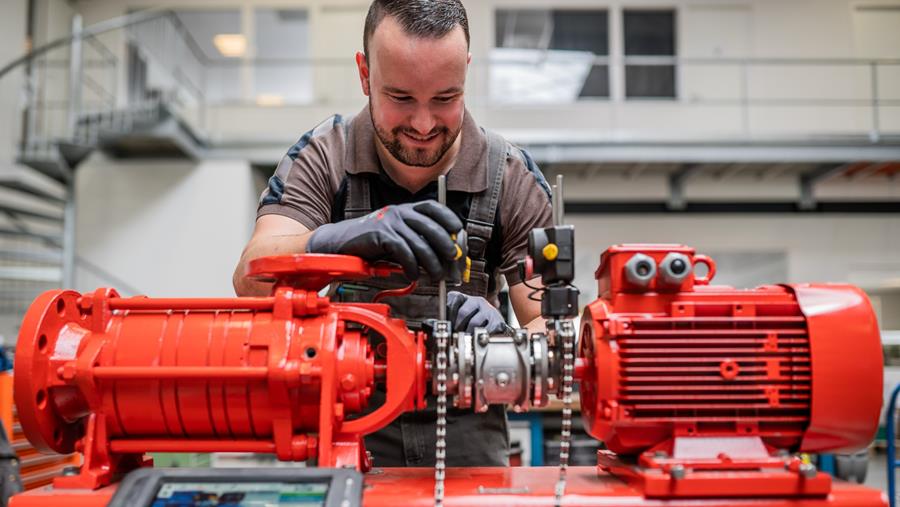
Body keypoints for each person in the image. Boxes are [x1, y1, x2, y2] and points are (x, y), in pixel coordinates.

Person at [233, 0, 552, 467]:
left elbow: (557, 333)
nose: (423, 124)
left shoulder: (511, 177)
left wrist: (508, 343)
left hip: (467, 433)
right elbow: (251, 281)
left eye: (445, 98)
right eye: (400, 97)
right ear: (365, 75)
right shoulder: (325, 157)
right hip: (347, 424)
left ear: (466, 71)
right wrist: (337, 239)